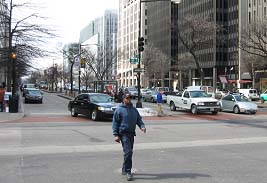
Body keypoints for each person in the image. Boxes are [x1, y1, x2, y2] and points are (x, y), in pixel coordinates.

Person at [112, 93, 146, 181]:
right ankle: (128, 171)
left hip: (131, 134)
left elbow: (139, 119)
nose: (129, 99)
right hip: (123, 134)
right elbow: (115, 123)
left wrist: (142, 126)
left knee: (129, 153)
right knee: (128, 152)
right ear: (123, 99)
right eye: (127, 98)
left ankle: (124, 168)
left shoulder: (134, 110)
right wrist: (116, 135)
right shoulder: (119, 110)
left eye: (130, 98)